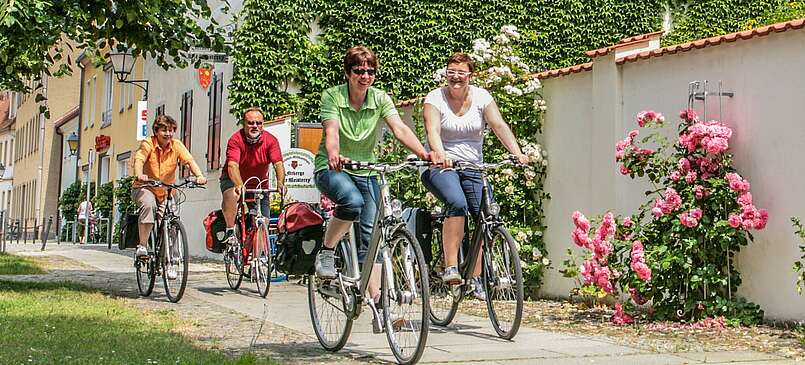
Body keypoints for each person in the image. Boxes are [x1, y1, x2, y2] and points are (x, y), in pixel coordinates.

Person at [313, 46, 429, 319]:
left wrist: (424, 154)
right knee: (352, 202)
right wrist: (333, 154)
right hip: (334, 168)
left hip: (367, 169)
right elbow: (331, 131)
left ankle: (375, 295)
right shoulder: (332, 96)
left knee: (372, 234)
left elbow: (399, 128)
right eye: (358, 71)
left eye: (370, 71)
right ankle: (327, 250)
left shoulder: (379, 98)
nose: (365, 76)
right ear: (348, 73)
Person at [420, 52, 529, 300]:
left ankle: (476, 278)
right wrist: (439, 153)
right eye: (451, 72)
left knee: (484, 213)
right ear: (446, 74)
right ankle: (450, 267)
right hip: (441, 166)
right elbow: (432, 130)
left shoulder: (482, 97)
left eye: (461, 73)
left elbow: (498, 125)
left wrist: (518, 153)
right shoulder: (435, 98)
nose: (455, 77)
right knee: (457, 203)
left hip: (473, 166)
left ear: (470, 75)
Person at [132, 115, 207, 279]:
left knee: (172, 223)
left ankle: (170, 262)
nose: (168, 134)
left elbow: (189, 161)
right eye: (164, 130)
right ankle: (143, 246)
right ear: (156, 131)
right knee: (148, 205)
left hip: (167, 190)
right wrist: (139, 174)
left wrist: (199, 175)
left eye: (171, 130)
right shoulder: (148, 144)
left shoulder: (176, 145)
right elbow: (139, 159)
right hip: (146, 187)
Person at [220, 107, 285, 246]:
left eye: (259, 123)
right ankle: (230, 230)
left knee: (264, 222)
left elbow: (278, 164)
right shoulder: (236, 140)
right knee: (232, 194)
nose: (255, 126)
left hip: (259, 184)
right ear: (244, 123)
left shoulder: (271, 140)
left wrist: (280, 183)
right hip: (233, 179)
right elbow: (232, 166)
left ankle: (258, 260)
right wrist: (238, 184)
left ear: (263, 124)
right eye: (250, 123)